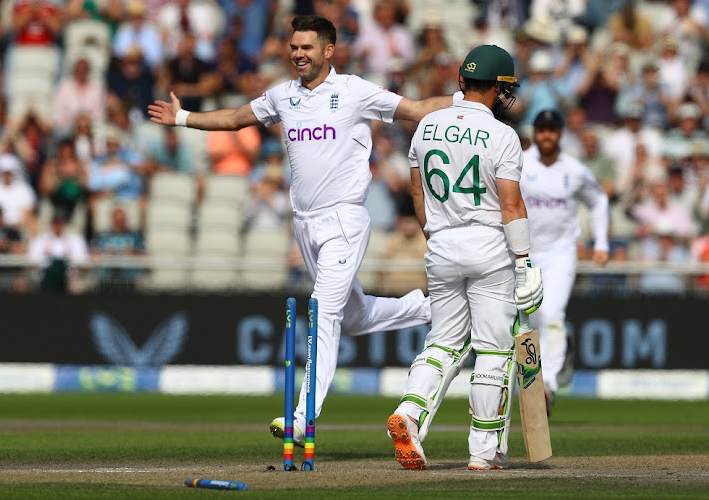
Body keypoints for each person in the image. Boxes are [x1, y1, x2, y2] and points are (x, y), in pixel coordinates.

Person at [148, 14, 452, 447]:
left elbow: (418, 111)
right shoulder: (283, 96)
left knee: (321, 311)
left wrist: (469, 101)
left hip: (344, 219)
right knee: (352, 317)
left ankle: (302, 413)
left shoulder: (353, 91)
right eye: (293, 47)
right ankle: (433, 309)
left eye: (306, 47)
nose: (297, 54)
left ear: (329, 50)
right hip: (305, 224)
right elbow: (235, 119)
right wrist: (183, 119)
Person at [387, 44, 542, 472]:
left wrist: (436, 236)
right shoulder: (502, 134)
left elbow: (416, 193)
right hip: (489, 246)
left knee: (442, 345)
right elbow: (511, 205)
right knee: (493, 350)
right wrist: (525, 261)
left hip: (440, 245)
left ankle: (409, 415)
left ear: (462, 81)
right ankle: (484, 451)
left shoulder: (426, 127)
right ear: (495, 87)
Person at [520, 109, 610, 412]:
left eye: (552, 129)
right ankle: (537, 375)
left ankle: (548, 386)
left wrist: (601, 243)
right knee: (527, 321)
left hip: (561, 253)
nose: (547, 134)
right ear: (535, 132)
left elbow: (598, 200)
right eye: (542, 129)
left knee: (552, 314)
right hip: (524, 252)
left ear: (560, 133)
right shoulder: (518, 163)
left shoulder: (574, 169)